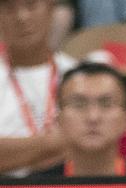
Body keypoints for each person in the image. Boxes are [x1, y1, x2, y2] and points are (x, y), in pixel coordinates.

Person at [0, 0, 75, 176]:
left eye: (31, 5)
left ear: (52, 9)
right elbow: (79, 141)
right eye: (9, 9)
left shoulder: (78, 76)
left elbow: (98, 147)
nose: (21, 17)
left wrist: (16, 153)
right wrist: (54, 144)